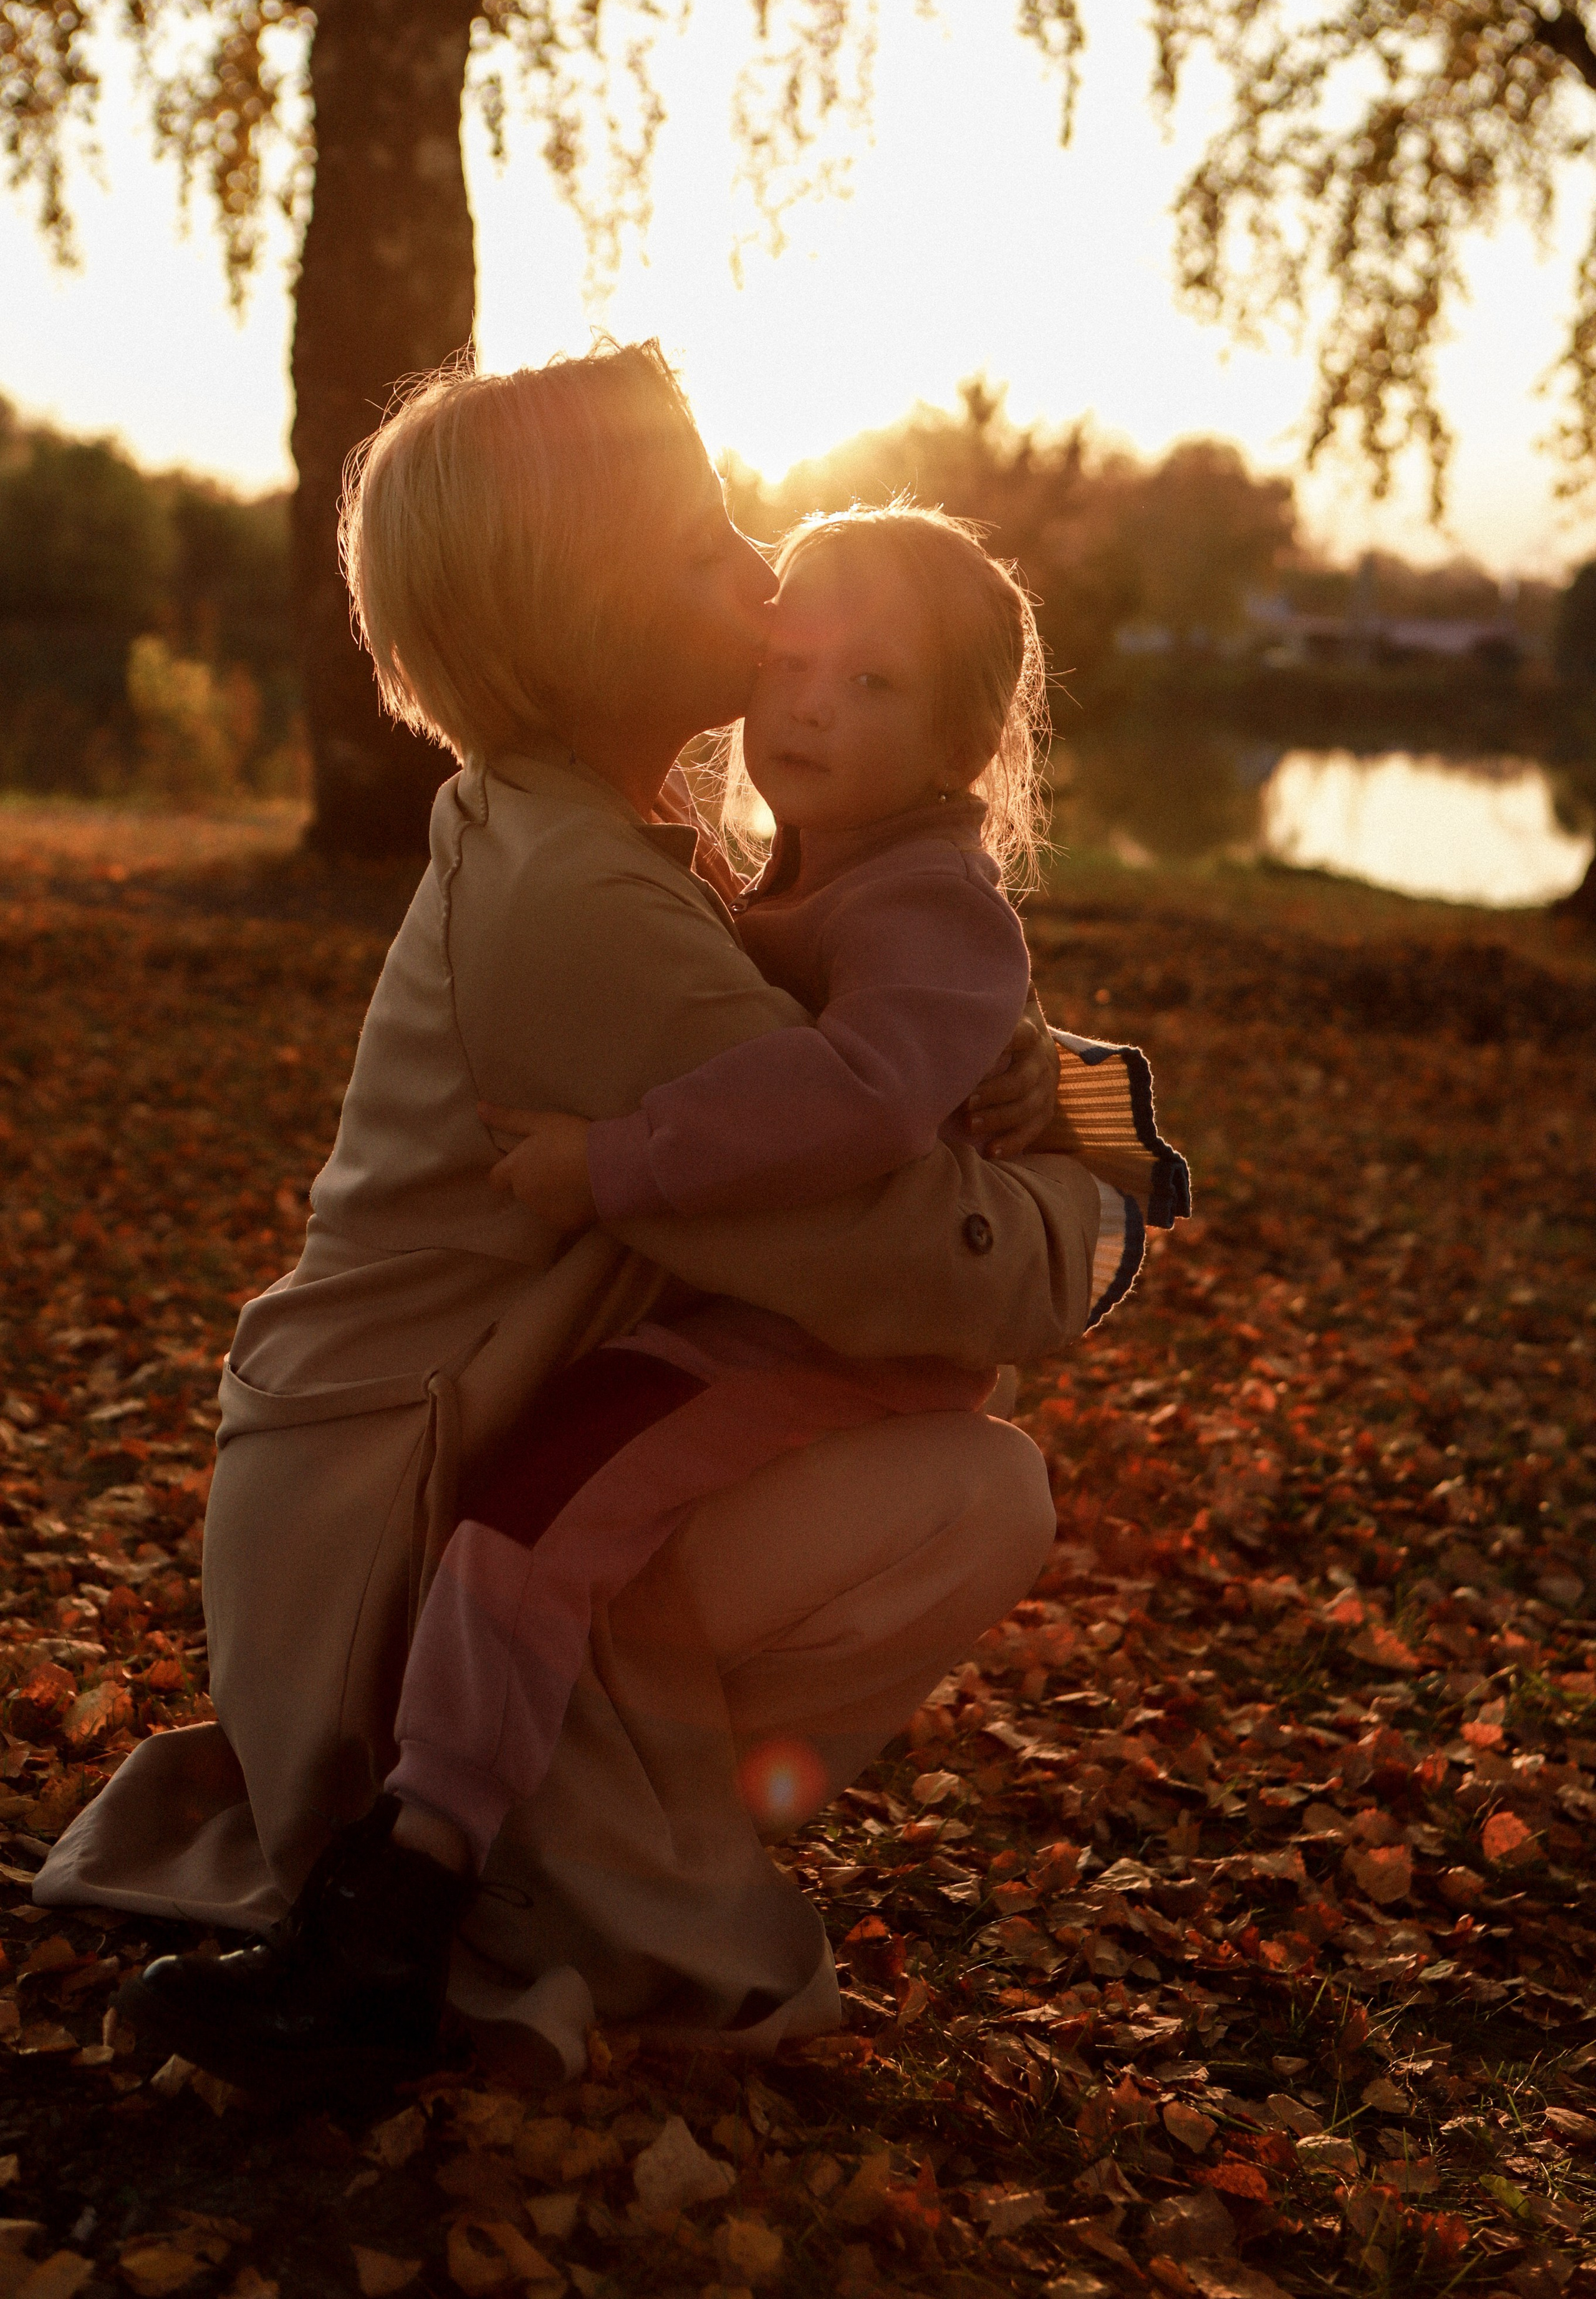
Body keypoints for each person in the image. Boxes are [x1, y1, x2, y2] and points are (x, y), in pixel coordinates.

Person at [42, 341, 1128, 2095]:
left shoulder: (584, 836)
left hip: (382, 1474)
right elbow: (932, 1273)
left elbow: (870, 1050)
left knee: (797, 1459)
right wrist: (1099, 1182)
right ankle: (490, 1885)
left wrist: (1011, 1068)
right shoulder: (585, 909)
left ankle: (580, 1830)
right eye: (712, 551)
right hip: (389, 1531)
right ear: (592, 614)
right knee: (978, 1489)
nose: (767, 579)